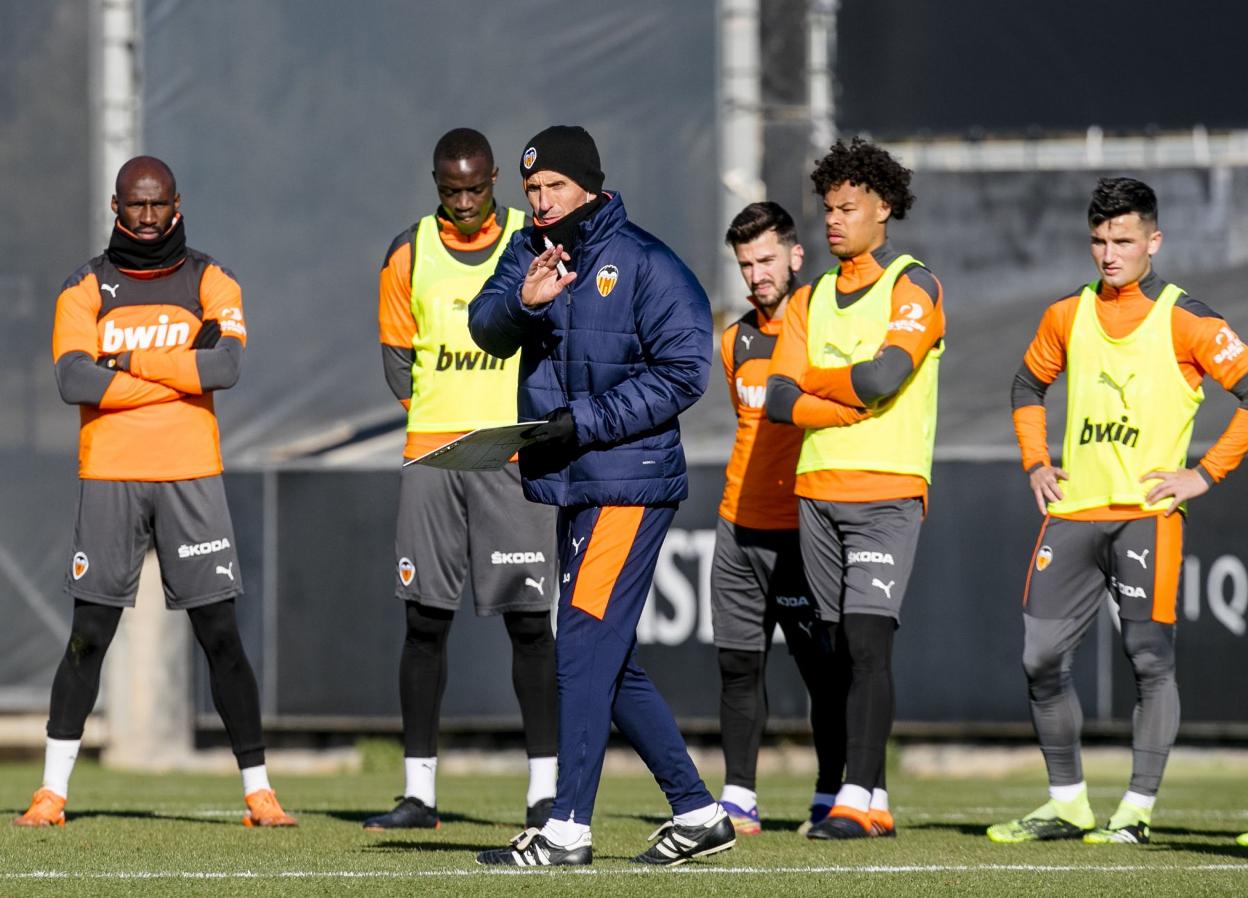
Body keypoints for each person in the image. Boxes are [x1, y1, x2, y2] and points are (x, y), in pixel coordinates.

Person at [468, 125, 734, 867]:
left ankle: (567, 830)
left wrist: (580, 420)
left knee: (583, 642)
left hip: (630, 480)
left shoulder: (645, 261)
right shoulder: (527, 253)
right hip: (576, 479)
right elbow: (485, 328)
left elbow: (686, 370)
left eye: (554, 187)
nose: (542, 202)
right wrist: (522, 301)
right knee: (604, 657)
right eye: (531, 191)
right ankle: (699, 812)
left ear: (589, 184)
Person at [15, 156, 295, 828]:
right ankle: (51, 793)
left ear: (177, 204)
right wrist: (178, 372)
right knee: (88, 635)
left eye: (157, 204)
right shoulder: (83, 286)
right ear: (116, 207)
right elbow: (73, 381)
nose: (146, 218)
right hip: (109, 477)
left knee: (221, 635)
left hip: (191, 476)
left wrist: (127, 362)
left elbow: (224, 367)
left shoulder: (211, 278)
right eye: (134, 206)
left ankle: (259, 792)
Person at [989, 177, 1248, 845]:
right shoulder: (1065, 314)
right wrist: (1035, 461)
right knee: (1040, 658)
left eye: (1123, 241)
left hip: (1146, 513)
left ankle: (1134, 813)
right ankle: (1067, 804)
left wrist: (1204, 473)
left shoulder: (1187, 318)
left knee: (1148, 657)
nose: (1109, 254)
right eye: (1099, 241)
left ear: (1153, 242)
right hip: (1072, 512)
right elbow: (1027, 383)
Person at [368, 128, 558, 831]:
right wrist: (436, 418)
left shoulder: (532, 241)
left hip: (509, 454)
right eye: (453, 190)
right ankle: (418, 794)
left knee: (531, 625)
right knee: (424, 622)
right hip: (433, 457)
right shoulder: (408, 251)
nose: (467, 201)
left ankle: (546, 792)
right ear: (436, 184)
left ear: (496, 179)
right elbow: (396, 357)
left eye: (477, 188)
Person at [766, 137, 945, 840]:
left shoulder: (913, 285)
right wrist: (839, 401)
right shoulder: (807, 298)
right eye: (828, 208)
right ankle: (867, 797)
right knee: (835, 650)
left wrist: (822, 386)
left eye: (848, 208)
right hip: (816, 489)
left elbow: (884, 377)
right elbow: (777, 398)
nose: (833, 220)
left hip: (887, 489)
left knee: (869, 644)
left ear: (885, 208)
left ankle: (856, 795)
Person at [713, 201, 845, 836]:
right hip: (737, 525)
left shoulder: (822, 327)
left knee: (822, 671)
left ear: (796, 256)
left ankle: (832, 791)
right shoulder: (733, 340)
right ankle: (739, 796)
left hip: (802, 529)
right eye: (746, 263)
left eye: (767, 259)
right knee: (738, 666)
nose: (756, 273)